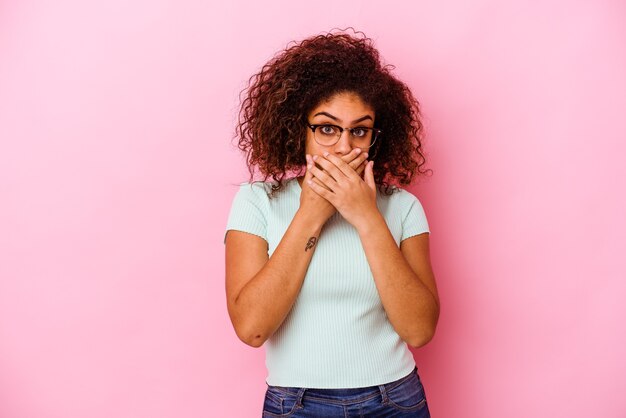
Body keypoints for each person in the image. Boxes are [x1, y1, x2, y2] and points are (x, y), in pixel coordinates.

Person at [224, 28, 440, 417]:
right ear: (297, 129)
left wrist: (366, 216)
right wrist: (311, 213)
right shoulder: (257, 202)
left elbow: (420, 330)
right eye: (327, 128)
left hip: (396, 402)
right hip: (297, 405)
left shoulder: (403, 207)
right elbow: (252, 328)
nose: (344, 146)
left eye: (359, 130)